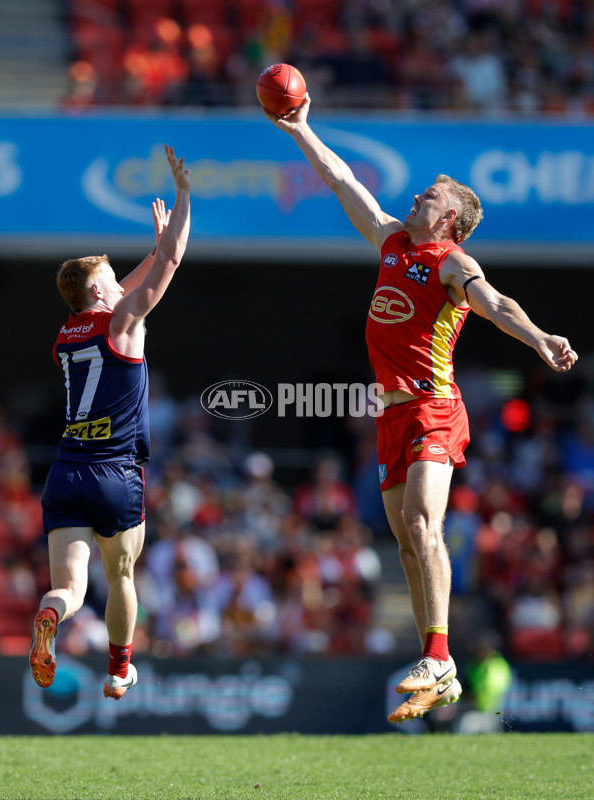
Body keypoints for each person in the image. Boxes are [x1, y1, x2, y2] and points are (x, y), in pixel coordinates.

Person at [263, 96, 578, 724]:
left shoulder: (453, 262)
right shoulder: (390, 241)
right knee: (407, 543)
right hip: (390, 415)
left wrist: (540, 337)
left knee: (420, 523)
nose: (415, 198)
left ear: (452, 218)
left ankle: (437, 657)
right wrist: (301, 129)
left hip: (435, 407)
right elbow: (342, 179)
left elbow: (496, 304)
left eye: (429, 197)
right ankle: (443, 667)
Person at [28, 145, 191, 699]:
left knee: (69, 587)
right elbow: (167, 267)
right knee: (120, 574)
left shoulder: (66, 334)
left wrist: (154, 247)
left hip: (66, 471)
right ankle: (120, 667)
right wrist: (185, 199)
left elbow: (140, 275)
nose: (120, 278)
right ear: (101, 290)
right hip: (115, 473)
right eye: (110, 275)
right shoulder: (123, 321)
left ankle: (53, 615)